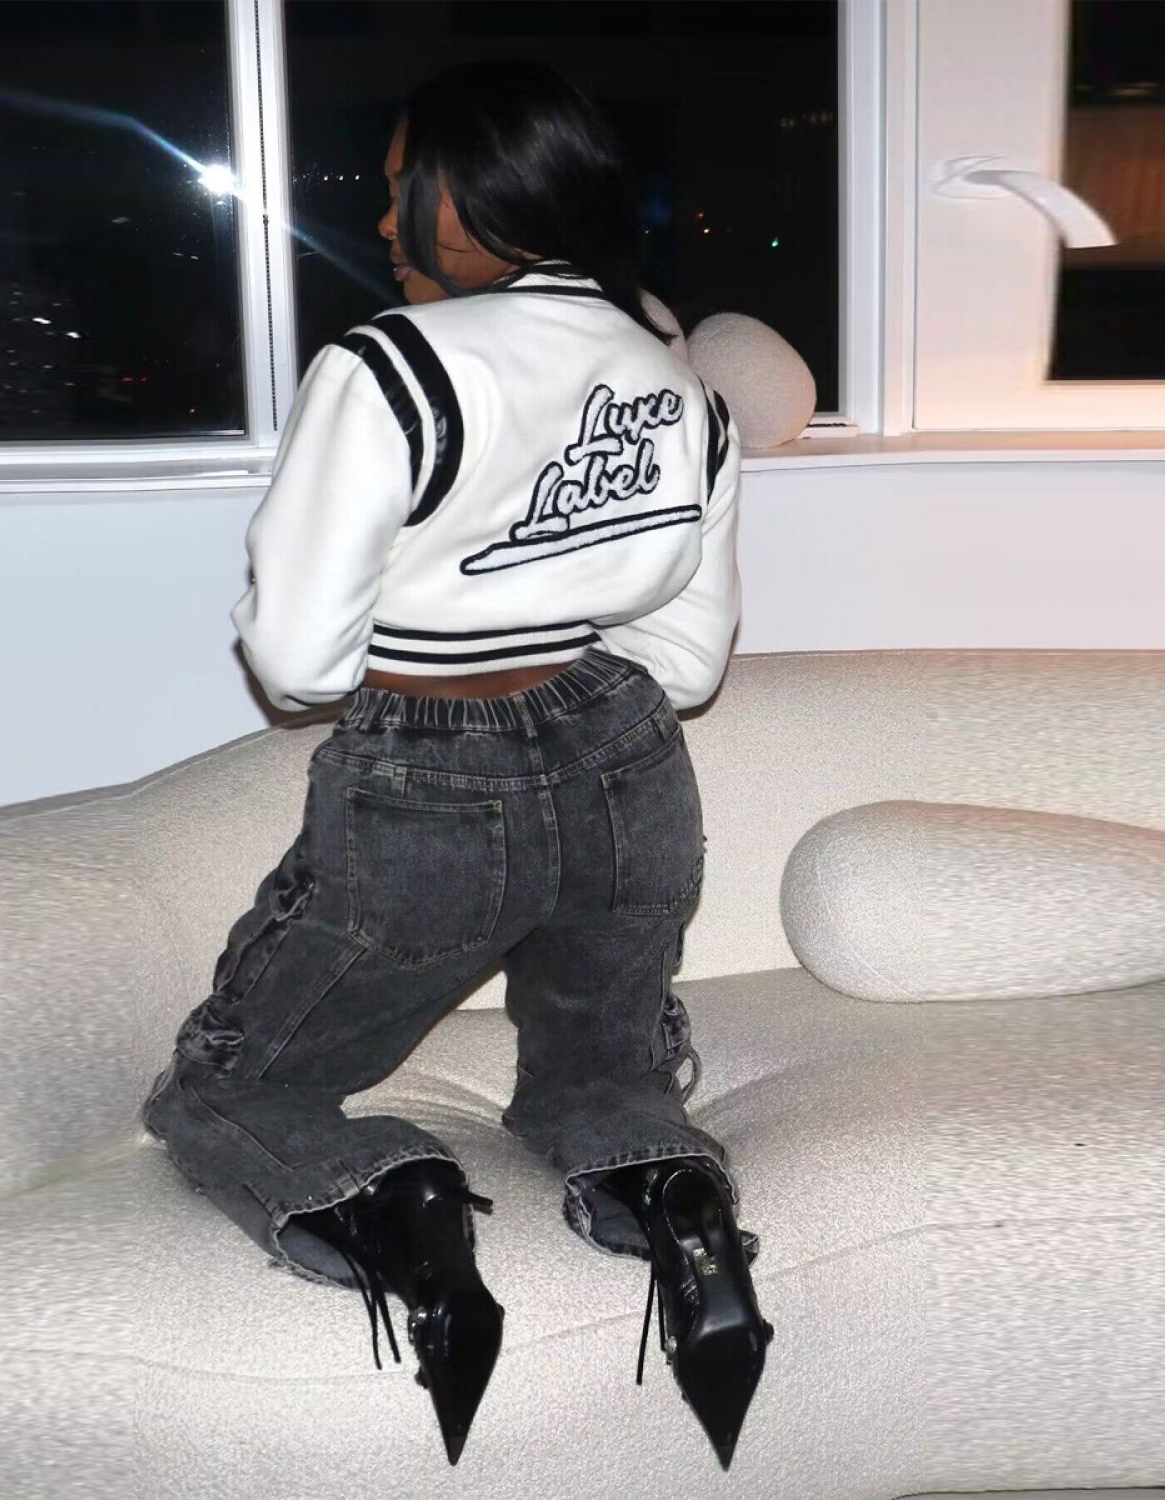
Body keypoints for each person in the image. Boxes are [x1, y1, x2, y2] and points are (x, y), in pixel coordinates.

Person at [140, 57, 772, 1471]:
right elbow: (688, 663)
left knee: (231, 1088)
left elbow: (299, 662)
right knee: (601, 1076)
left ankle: (395, 1200)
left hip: (432, 777)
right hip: (630, 770)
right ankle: (676, 1206)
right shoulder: (683, 388)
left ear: (484, 192)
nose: (381, 224)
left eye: (399, 189)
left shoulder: (391, 367)